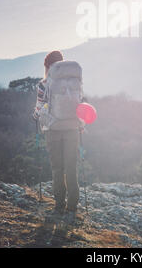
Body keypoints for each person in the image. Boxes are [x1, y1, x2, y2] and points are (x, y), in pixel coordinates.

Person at [34, 50, 83, 223]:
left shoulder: (43, 84)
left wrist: (36, 116)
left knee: (57, 168)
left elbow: (40, 108)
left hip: (52, 129)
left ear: (48, 66)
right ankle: (72, 206)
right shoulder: (74, 81)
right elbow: (80, 104)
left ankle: (59, 205)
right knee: (71, 167)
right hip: (72, 128)